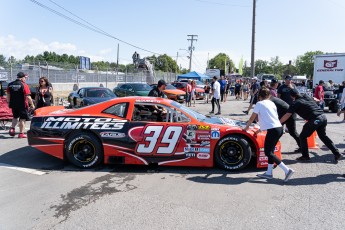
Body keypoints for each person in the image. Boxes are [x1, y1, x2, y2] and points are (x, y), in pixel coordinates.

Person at [243, 87, 294, 181]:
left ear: (259, 96)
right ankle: (269, 173)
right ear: (269, 95)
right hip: (278, 128)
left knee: (268, 152)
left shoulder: (259, 103)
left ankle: (287, 170)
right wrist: (259, 130)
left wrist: (245, 128)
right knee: (270, 152)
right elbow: (270, 119)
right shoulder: (272, 103)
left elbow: (252, 118)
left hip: (273, 130)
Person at [280, 88, 342, 162]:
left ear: (291, 96)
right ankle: (337, 153)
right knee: (323, 136)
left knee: (302, 137)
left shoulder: (295, 103)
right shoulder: (306, 96)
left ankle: (305, 156)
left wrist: (279, 122)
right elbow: (315, 99)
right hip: (323, 116)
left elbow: (287, 115)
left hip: (315, 119)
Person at [6, 72, 35, 138]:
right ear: (22, 78)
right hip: (22, 105)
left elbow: (8, 94)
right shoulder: (24, 85)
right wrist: (32, 104)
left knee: (15, 117)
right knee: (22, 119)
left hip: (13, 104)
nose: (25, 79)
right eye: (25, 78)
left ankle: (12, 129)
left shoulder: (10, 84)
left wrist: (8, 102)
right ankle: (21, 133)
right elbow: (28, 96)